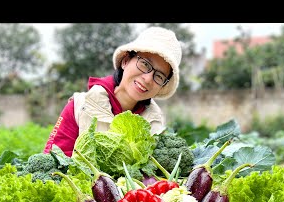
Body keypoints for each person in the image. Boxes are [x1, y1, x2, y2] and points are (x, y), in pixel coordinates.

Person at [43, 26, 182, 157]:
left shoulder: (155, 123)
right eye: (145, 64)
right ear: (126, 61)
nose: (147, 78)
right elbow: (54, 161)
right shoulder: (79, 106)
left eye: (159, 76)